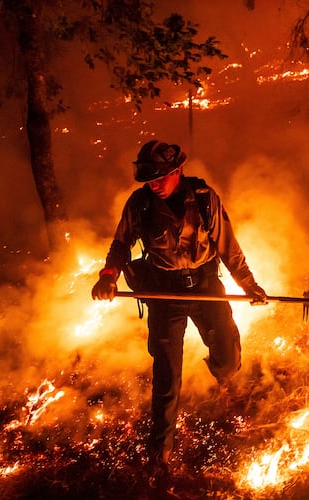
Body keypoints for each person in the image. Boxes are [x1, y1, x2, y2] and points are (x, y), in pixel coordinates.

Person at [92, 139, 266, 478]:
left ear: (178, 171)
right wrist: (109, 276)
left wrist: (249, 285)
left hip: (203, 285)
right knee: (166, 379)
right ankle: (160, 458)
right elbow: (120, 244)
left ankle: (222, 379)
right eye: (149, 179)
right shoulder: (140, 204)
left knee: (229, 358)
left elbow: (229, 247)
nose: (153, 184)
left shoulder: (203, 199)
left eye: (159, 177)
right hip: (163, 292)